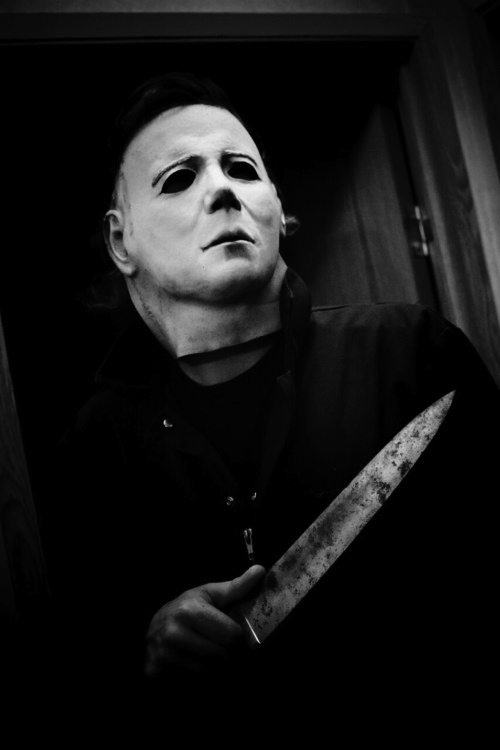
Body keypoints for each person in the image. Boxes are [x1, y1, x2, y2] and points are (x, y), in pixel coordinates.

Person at [44, 72, 498, 735]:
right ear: (121, 242)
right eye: (178, 179)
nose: (222, 189)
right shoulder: (94, 449)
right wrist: (149, 649)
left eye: (241, 169)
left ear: (277, 209)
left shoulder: (411, 356)